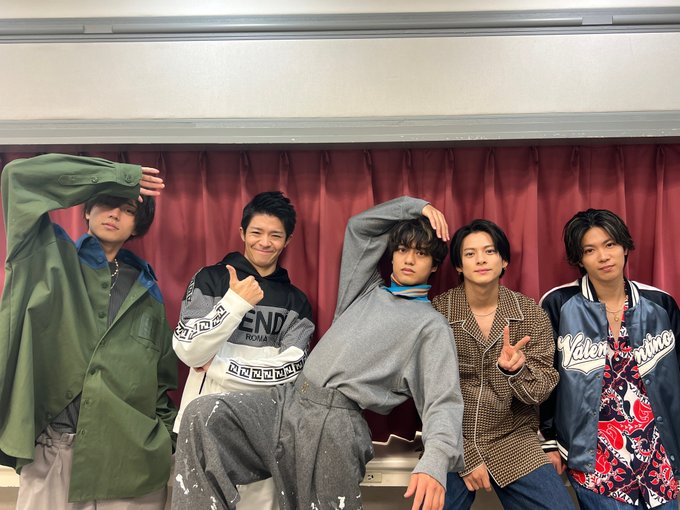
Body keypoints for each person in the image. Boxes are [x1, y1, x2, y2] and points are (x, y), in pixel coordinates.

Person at [172, 196, 464, 510]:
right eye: (403, 250)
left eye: (421, 254)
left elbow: (443, 400)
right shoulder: (364, 289)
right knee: (202, 415)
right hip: (287, 401)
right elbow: (360, 229)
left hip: (336, 421)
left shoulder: (431, 327)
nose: (409, 260)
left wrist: (435, 461)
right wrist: (416, 206)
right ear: (391, 255)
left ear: (434, 265)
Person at [0, 153, 177, 509]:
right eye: (106, 202)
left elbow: (161, 377)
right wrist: (117, 176)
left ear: (137, 226)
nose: (115, 214)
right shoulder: (46, 254)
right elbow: (18, 177)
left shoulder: (147, 292)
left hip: (131, 462)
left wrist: (163, 439)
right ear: (87, 210)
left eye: (128, 209)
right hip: (54, 452)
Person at [172, 191, 314, 510]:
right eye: (256, 232)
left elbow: (289, 371)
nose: (264, 242)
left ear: (288, 240)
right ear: (242, 233)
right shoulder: (210, 279)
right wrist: (235, 303)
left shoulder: (296, 301)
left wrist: (219, 367)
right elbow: (189, 350)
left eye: (275, 235)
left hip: (263, 431)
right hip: (202, 426)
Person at [540, 208, 680, 509]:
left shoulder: (660, 303)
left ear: (625, 247)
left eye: (610, 244)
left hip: (659, 455)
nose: (603, 256)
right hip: (595, 457)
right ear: (579, 259)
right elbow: (547, 378)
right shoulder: (558, 304)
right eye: (590, 250)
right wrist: (549, 440)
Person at [432, 219, 574, 510]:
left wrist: (517, 371)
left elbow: (542, 390)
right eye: (470, 254)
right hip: (452, 439)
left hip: (513, 438)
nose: (481, 260)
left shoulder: (530, 313)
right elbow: (426, 392)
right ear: (458, 265)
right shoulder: (438, 312)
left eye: (490, 251)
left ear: (504, 260)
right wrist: (466, 456)